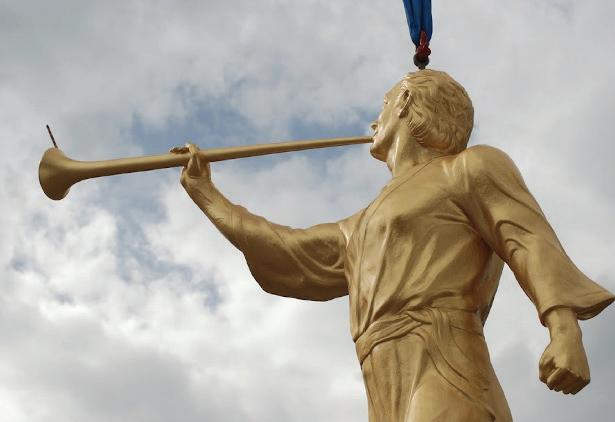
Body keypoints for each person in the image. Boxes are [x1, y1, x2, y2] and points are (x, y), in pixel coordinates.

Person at [172, 69, 614, 421]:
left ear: (404, 102)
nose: (374, 120)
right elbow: (287, 249)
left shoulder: (467, 168)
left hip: (443, 356)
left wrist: (564, 329)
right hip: (378, 374)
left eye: (383, 105)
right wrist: (206, 193)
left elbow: (528, 239)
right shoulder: (359, 225)